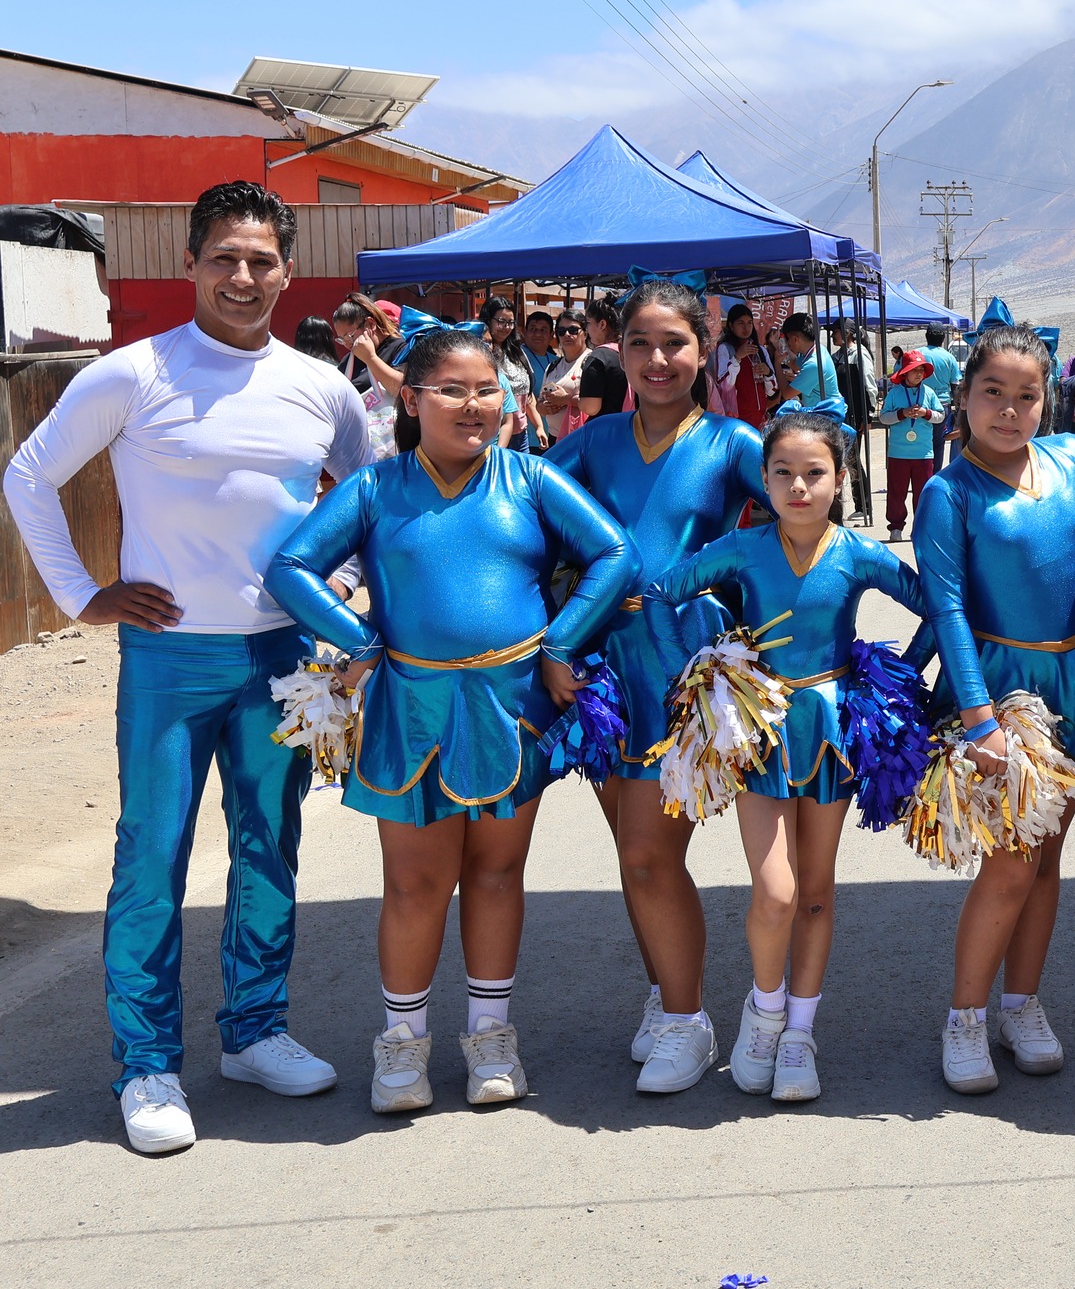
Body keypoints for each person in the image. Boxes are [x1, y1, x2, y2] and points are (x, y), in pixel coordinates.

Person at [3, 181, 374, 1153]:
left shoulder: (324, 388)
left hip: (283, 658)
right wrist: (83, 595)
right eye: (224, 258)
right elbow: (28, 473)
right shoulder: (133, 374)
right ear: (190, 264)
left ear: (287, 271)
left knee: (269, 846)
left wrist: (345, 596)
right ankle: (146, 1064)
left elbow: (370, 501)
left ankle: (254, 1031)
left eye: (261, 260)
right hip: (168, 659)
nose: (242, 276)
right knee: (151, 856)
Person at [266, 328, 634, 1114]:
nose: (474, 405)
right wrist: (359, 639)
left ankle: (491, 1038)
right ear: (411, 399)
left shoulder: (530, 477)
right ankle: (401, 1046)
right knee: (413, 882)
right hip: (411, 706)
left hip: (512, 706)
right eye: (453, 390)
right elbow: (291, 566)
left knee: (497, 874)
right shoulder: (375, 487)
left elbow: (615, 554)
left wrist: (563, 643)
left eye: (488, 389)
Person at [647, 410, 925, 1103]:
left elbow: (935, 604)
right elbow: (662, 592)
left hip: (829, 729)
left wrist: (902, 678)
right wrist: (697, 674)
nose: (799, 486)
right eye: (783, 473)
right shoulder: (743, 548)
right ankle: (764, 1013)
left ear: (840, 478)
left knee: (817, 891)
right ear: (764, 479)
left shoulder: (857, 552)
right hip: (761, 728)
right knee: (776, 892)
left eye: (814, 473)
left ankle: (801, 1033)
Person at [545, 280, 769, 1090]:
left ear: (703, 349)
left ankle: (687, 1019)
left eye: (674, 342)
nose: (657, 359)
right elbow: (518, 501)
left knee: (647, 851)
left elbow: (802, 518)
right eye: (639, 343)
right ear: (620, 352)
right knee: (634, 851)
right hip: (604, 666)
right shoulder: (595, 440)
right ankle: (664, 989)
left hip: (682, 665)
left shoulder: (733, 442)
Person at [914, 325, 1075, 1093]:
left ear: (1048, 400)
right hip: (1005, 693)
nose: (1008, 409)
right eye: (992, 393)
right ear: (964, 396)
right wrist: (979, 719)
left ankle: (1021, 1004)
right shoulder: (948, 492)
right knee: (1010, 863)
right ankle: (965, 1016)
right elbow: (947, 607)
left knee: (1046, 858)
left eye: (1026, 395)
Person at [877, 348, 941, 541]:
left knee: (923, 494)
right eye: (915, 370)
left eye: (922, 370)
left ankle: (920, 528)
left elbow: (940, 416)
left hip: (924, 453)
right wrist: (902, 414)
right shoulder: (894, 393)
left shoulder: (929, 393)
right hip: (898, 453)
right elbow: (883, 418)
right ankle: (895, 528)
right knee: (897, 493)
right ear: (905, 372)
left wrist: (925, 413)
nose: (919, 374)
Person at [334, 292, 406, 463]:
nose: (347, 344)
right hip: (359, 450)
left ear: (370, 324)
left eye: (350, 336)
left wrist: (371, 358)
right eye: (341, 339)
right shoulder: (349, 361)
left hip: (397, 447)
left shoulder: (400, 348)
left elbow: (403, 390)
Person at [829, 318, 879, 514]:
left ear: (847, 333)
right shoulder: (836, 357)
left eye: (835, 331)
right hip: (840, 413)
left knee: (853, 458)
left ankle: (864, 504)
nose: (832, 335)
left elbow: (869, 384)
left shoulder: (859, 354)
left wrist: (868, 415)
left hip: (855, 414)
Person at [481, 295, 540, 453]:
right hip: (494, 435)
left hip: (520, 435)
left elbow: (527, 395)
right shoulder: (481, 354)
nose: (506, 327)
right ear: (488, 320)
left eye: (511, 322)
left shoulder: (517, 351)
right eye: (501, 321)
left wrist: (539, 426)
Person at [713, 302, 778, 427]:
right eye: (740, 323)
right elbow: (724, 386)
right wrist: (737, 357)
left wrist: (768, 373)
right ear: (731, 325)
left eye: (749, 323)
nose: (746, 328)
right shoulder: (725, 349)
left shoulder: (761, 350)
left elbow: (772, 392)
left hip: (760, 419)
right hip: (736, 420)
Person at [537, 309, 591, 444]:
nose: (567, 335)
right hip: (554, 438)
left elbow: (594, 403)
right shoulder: (552, 367)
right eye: (561, 331)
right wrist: (544, 407)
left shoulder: (592, 362)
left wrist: (565, 399)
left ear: (585, 333)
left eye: (573, 330)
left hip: (581, 439)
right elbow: (539, 403)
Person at [577, 295, 631, 421]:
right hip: (634, 425)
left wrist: (576, 400)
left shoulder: (598, 357)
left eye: (588, 323)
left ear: (602, 324)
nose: (587, 329)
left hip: (606, 427)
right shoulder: (632, 352)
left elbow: (590, 408)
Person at [922, 326, 964, 471]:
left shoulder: (918, 354)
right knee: (938, 444)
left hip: (920, 405)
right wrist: (957, 409)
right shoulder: (949, 357)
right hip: (942, 405)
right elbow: (955, 385)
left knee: (919, 443)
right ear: (943, 339)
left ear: (926, 336)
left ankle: (921, 475)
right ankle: (935, 474)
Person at [780, 313, 836, 410]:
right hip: (823, 411)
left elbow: (786, 394)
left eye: (787, 339)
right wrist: (779, 347)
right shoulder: (817, 349)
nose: (787, 343)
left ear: (795, 339)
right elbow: (794, 364)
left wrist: (777, 363)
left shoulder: (813, 364)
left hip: (824, 414)